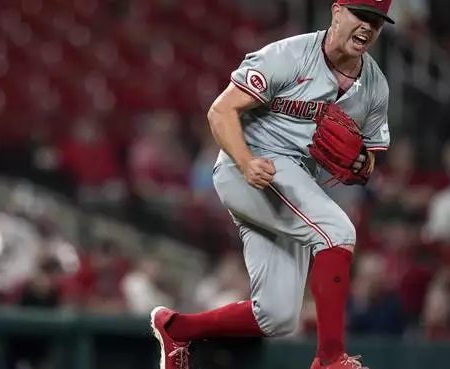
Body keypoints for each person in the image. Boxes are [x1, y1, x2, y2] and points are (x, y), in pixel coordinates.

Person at [150, 1, 393, 368]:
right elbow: (220, 111)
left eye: (376, 21)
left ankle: (177, 328)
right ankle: (330, 359)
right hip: (250, 167)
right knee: (337, 232)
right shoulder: (288, 55)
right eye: (362, 16)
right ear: (337, 11)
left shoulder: (375, 86)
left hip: (294, 183)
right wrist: (246, 161)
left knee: (277, 317)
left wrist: (361, 162)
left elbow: (369, 156)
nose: (368, 27)